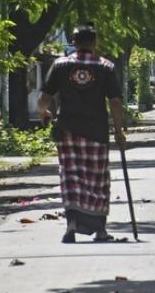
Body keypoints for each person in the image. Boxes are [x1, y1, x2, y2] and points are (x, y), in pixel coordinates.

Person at [37, 25, 126, 244]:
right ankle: (101, 231)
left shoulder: (61, 65)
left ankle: (71, 225)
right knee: (97, 181)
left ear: (74, 42)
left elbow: (45, 98)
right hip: (97, 132)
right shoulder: (105, 67)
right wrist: (118, 131)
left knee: (71, 178)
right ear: (95, 43)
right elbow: (114, 102)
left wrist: (44, 112)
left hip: (68, 131)